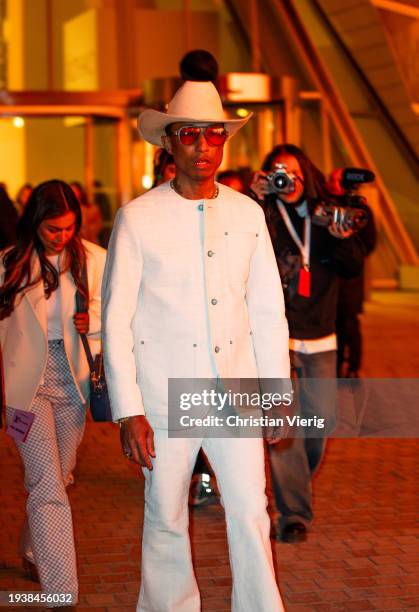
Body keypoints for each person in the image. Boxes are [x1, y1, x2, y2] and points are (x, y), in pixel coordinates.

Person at [102, 78, 290, 611]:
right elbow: (114, 322)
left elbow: (267, 313)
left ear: (224, 141)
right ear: (170, 143)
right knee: (165, 515)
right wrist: (128, 411)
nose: (203, 147)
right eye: (190, 135)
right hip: (162, 399)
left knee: (252, 510)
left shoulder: (247, 213)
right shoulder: (137, 218)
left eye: (213, 135)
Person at [251, 144, 365, 543]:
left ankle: (295, 489)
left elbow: (353, 267)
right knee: (286, 430)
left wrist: (345, 236)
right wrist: (256, 198)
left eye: (293, 171)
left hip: (321, 337)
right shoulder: (261, 214)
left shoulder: (325, 214)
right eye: (278, 171)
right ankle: (293, 513)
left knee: (320, 425)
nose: (287, 178)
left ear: (308, 173)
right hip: (274, 339)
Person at [0, 180, 106, 609]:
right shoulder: (10, 262)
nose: (61, 236)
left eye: (67, 228)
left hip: (73, 380)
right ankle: (61, 591)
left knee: (58, 477)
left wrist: (91, 323)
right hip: (24, 387)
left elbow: (115, 314)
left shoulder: (94, 259)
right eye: (52, 229)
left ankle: (33, 547)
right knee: (46, 484)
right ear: (35, 223)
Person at [327, 168, 376, 377]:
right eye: (332, 179)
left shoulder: (361, 209)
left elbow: (370, 242)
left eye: (338, 179)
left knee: (350, 323)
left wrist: (351, 254)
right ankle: (336, 367)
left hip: (351, 280)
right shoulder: (326, 206)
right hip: (330, 279)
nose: (333, 183)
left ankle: (353, 367)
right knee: (334, 323)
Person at [70, 181, 103, 245]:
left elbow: (98, 225)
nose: (73, 193)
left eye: (75, 191)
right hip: (75, 244)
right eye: (71, 191)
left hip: (90, 243)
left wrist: (88, 230)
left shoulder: (92, 208)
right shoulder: (67, 210)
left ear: (80, 192)